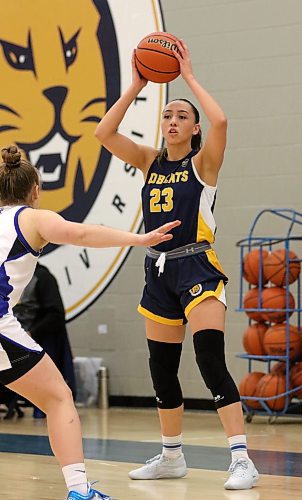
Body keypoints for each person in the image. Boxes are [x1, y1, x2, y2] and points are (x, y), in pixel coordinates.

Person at [95, 39, 259, 490]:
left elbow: (222, 119)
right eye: (167, 115)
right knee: (161, 368)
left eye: (181, 116)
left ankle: (242, 458)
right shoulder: (149, 162)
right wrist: (136, 86)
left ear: (194, 129)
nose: (172, 121)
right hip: (159, 271)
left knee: (209, 360)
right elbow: (103, 134)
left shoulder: (204, 164)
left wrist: (187, 76)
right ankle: (171, 456)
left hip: (199, 268)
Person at [0, 145, 180, 500]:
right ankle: (80, 491)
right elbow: (82, 234)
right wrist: (139, 238)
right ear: (35, 189)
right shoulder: (33, 219)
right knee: (59, 399)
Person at [13, 262, 76, 418]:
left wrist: (32, 332)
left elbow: (56, 314)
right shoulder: (10, 275)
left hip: (40, 339)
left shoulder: (43, 277)